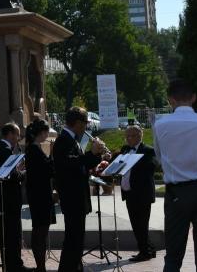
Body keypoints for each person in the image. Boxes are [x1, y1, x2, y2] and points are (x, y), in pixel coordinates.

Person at [154, 78, 197, 272]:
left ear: (170, 100)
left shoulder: (160, 125)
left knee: (173, 256)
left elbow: (159, 156)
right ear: (194, 98)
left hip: (177, 193)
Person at [52, 107, 105, 272]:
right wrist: (92, 153)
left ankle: (75, 266)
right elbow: (69, 164)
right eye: (84, 124)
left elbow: (80, 165)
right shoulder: (63, 140)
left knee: (76, 238)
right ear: (77, 123)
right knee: (73, 238)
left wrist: (97, 156)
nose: (86, 128)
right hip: (72, 197)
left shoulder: (72, 139)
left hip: (77, 196)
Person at [0, 122, 33, 272]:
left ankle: (11, 264)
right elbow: (12, 176)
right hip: (8, 198)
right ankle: (14, 265)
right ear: (10, 134)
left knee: (8, 233)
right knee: (11, 234)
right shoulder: (6, 150)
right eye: (17, 134)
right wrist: (23, 172)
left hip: (5, 199)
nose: (19, 138)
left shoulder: (1, 148)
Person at [118, 124, 156, 262]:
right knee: (136, 224)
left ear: (139, 136)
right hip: (129, 193)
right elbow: (117, 164)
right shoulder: (125, 149)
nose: (128, 139)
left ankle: (144, 252)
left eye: (131, 136)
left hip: (142, 194)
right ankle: (148, 249)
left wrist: (132, 162)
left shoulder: (148, 150)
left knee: (142, 224)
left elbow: (150, 168)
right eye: (126, 136)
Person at [25, 118, 55, 272]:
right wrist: (52, 154)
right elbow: (48, 171)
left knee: (40, 231)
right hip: (40, 196)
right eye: (47, 132)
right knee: (40, 232)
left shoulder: (33, 148)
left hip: (38, 195)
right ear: (42, 133)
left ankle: (40, 265)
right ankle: (40, 266)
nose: (47, 135)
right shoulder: (34, 149)